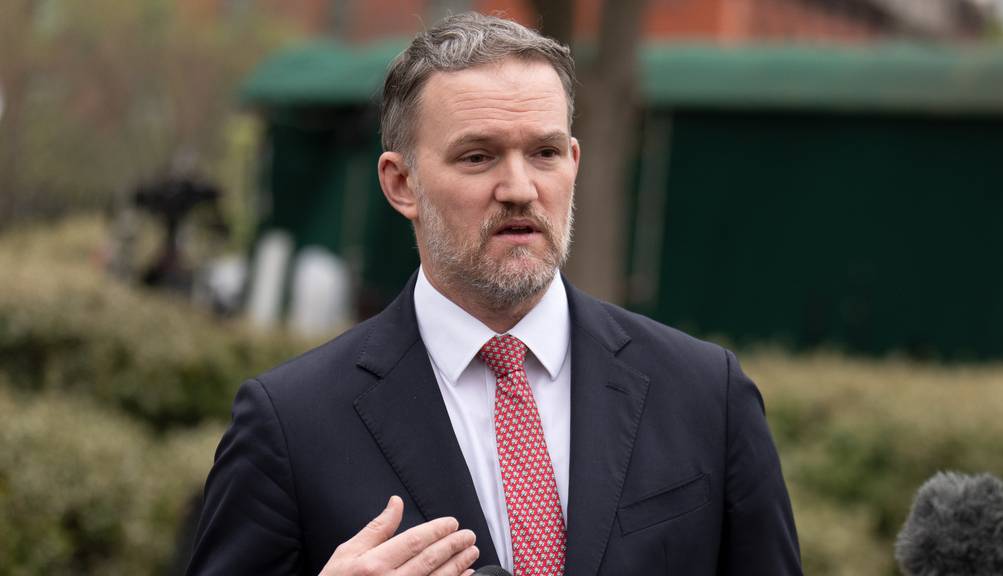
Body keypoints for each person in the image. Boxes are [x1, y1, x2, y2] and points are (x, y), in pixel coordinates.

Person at [187, 12, 801, 576]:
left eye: (544, 153)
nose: (519, 188)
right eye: (478, 157)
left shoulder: (706, 395)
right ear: (401, 184)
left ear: (574, 162)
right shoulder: (290, 424)